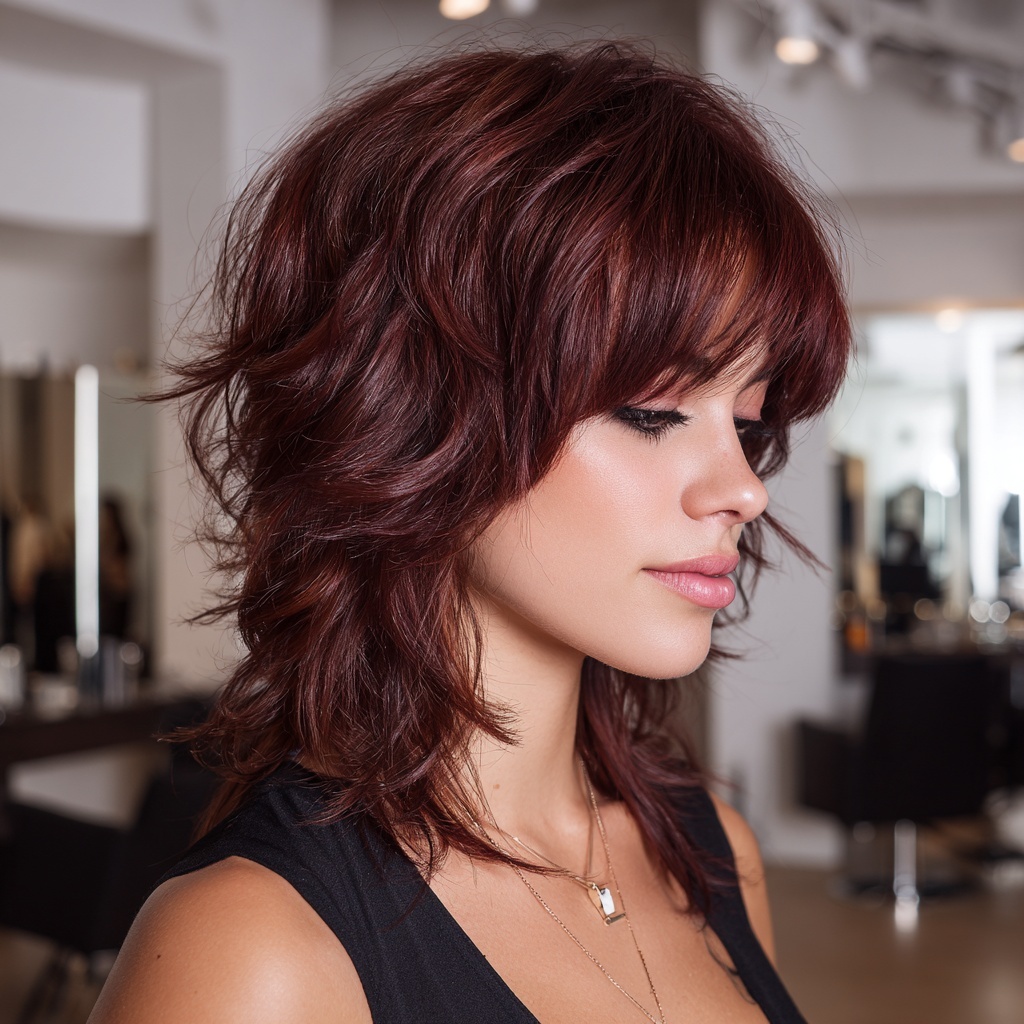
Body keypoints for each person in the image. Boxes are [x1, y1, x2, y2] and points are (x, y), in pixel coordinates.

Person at [89, 41, 850, 1024]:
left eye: (746, 422)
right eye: (652, 411)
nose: (742, 489)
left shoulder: (712, 854)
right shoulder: (252, 956)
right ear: (417, 411)